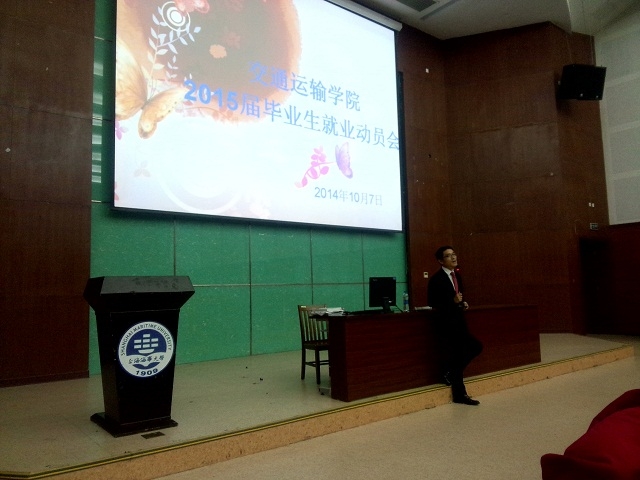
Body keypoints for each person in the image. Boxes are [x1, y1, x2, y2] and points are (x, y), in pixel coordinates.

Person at [427, 246, 483, 406]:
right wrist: (452, 302)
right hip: (447, 324)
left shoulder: (456, 275)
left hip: (459, 322)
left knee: (475, 347)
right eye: (448, 256)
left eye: (454, 254)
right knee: (460, 355)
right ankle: (460, 394)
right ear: (440, 261)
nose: (453, 257)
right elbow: (433, 303)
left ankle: (451, 373)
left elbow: (459, 298)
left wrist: (462, 303)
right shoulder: (436, 279)